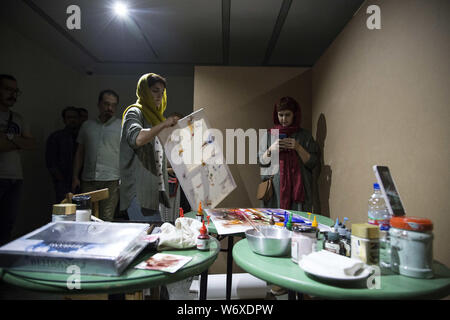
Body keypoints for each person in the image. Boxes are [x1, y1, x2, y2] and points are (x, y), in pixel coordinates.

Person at [120, 73, 179, 223]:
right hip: (138, 190)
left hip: (152, 190)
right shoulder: (135, 112)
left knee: (155, 234)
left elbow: (157, 158)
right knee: (150, 237)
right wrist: (165, 124)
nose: (159, 96)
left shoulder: (155, 119)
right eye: (154, 91)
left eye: (162, 92)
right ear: (144, 91)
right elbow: (137, 138)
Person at [259, 96, 319, 212]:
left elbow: (313, 163)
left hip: (299, 191)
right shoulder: (268, 135)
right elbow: (261, 161)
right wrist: (271, 149)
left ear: (294, 115)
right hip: (274, 192)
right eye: (280, 115)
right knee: (274, 224)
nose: (283, 119)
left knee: (298, 224)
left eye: (287, 115)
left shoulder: (304, 136)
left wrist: (298, 147)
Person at [72, 90, 121, 221]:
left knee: (106, 218)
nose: (110, 108)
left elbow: (128, 155)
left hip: (111, 179)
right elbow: (80, 152)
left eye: (113, 105)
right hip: (88, 179)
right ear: (99, 104)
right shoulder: (87, 126)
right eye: (106, 104)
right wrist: (75, 176)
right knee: (86, 217)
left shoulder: (121, 126)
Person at [0, 74, 36, 245]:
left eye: (15, 91)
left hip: (15, 177)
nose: (12, 94)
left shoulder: (18, 118)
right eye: (7, 89)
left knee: (8, 224)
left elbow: (30, 144)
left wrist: (7, 137)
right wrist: (17, 140)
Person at [45, 106, 80, 203]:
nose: (72, 120)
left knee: (82, 212)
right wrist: (60, 180)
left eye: (75, 117)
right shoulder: (56, 137)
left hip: (81, 180)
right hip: (62, 181)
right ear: (64, 120)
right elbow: (51, 162)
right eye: (69, 117)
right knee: (64, 211)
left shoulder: (84, 137)